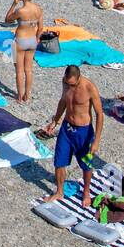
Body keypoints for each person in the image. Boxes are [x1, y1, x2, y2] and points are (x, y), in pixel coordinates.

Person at [38, 65, 104, 208]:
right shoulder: (65, 82)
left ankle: (86, 193)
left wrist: (96, 141)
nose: (70, 86)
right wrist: (55, 121)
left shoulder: (89, 88)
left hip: (84, 132)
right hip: (67, 128)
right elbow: (63, 101)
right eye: (68, 83)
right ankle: (59, 192)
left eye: (72, 84)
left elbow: (99, 114)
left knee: (87, 163)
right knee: (59, 161)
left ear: (79, 78)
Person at [5, 0, 43, 102]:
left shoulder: (21, 11)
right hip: (32, 40)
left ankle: (20, 96)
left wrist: (14, 3)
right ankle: (27, 94)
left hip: (20, 41)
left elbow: (7, 20)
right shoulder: (38, 9)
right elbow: (40, 27)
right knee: (29, 69)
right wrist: (37, 38)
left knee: (19, 70)